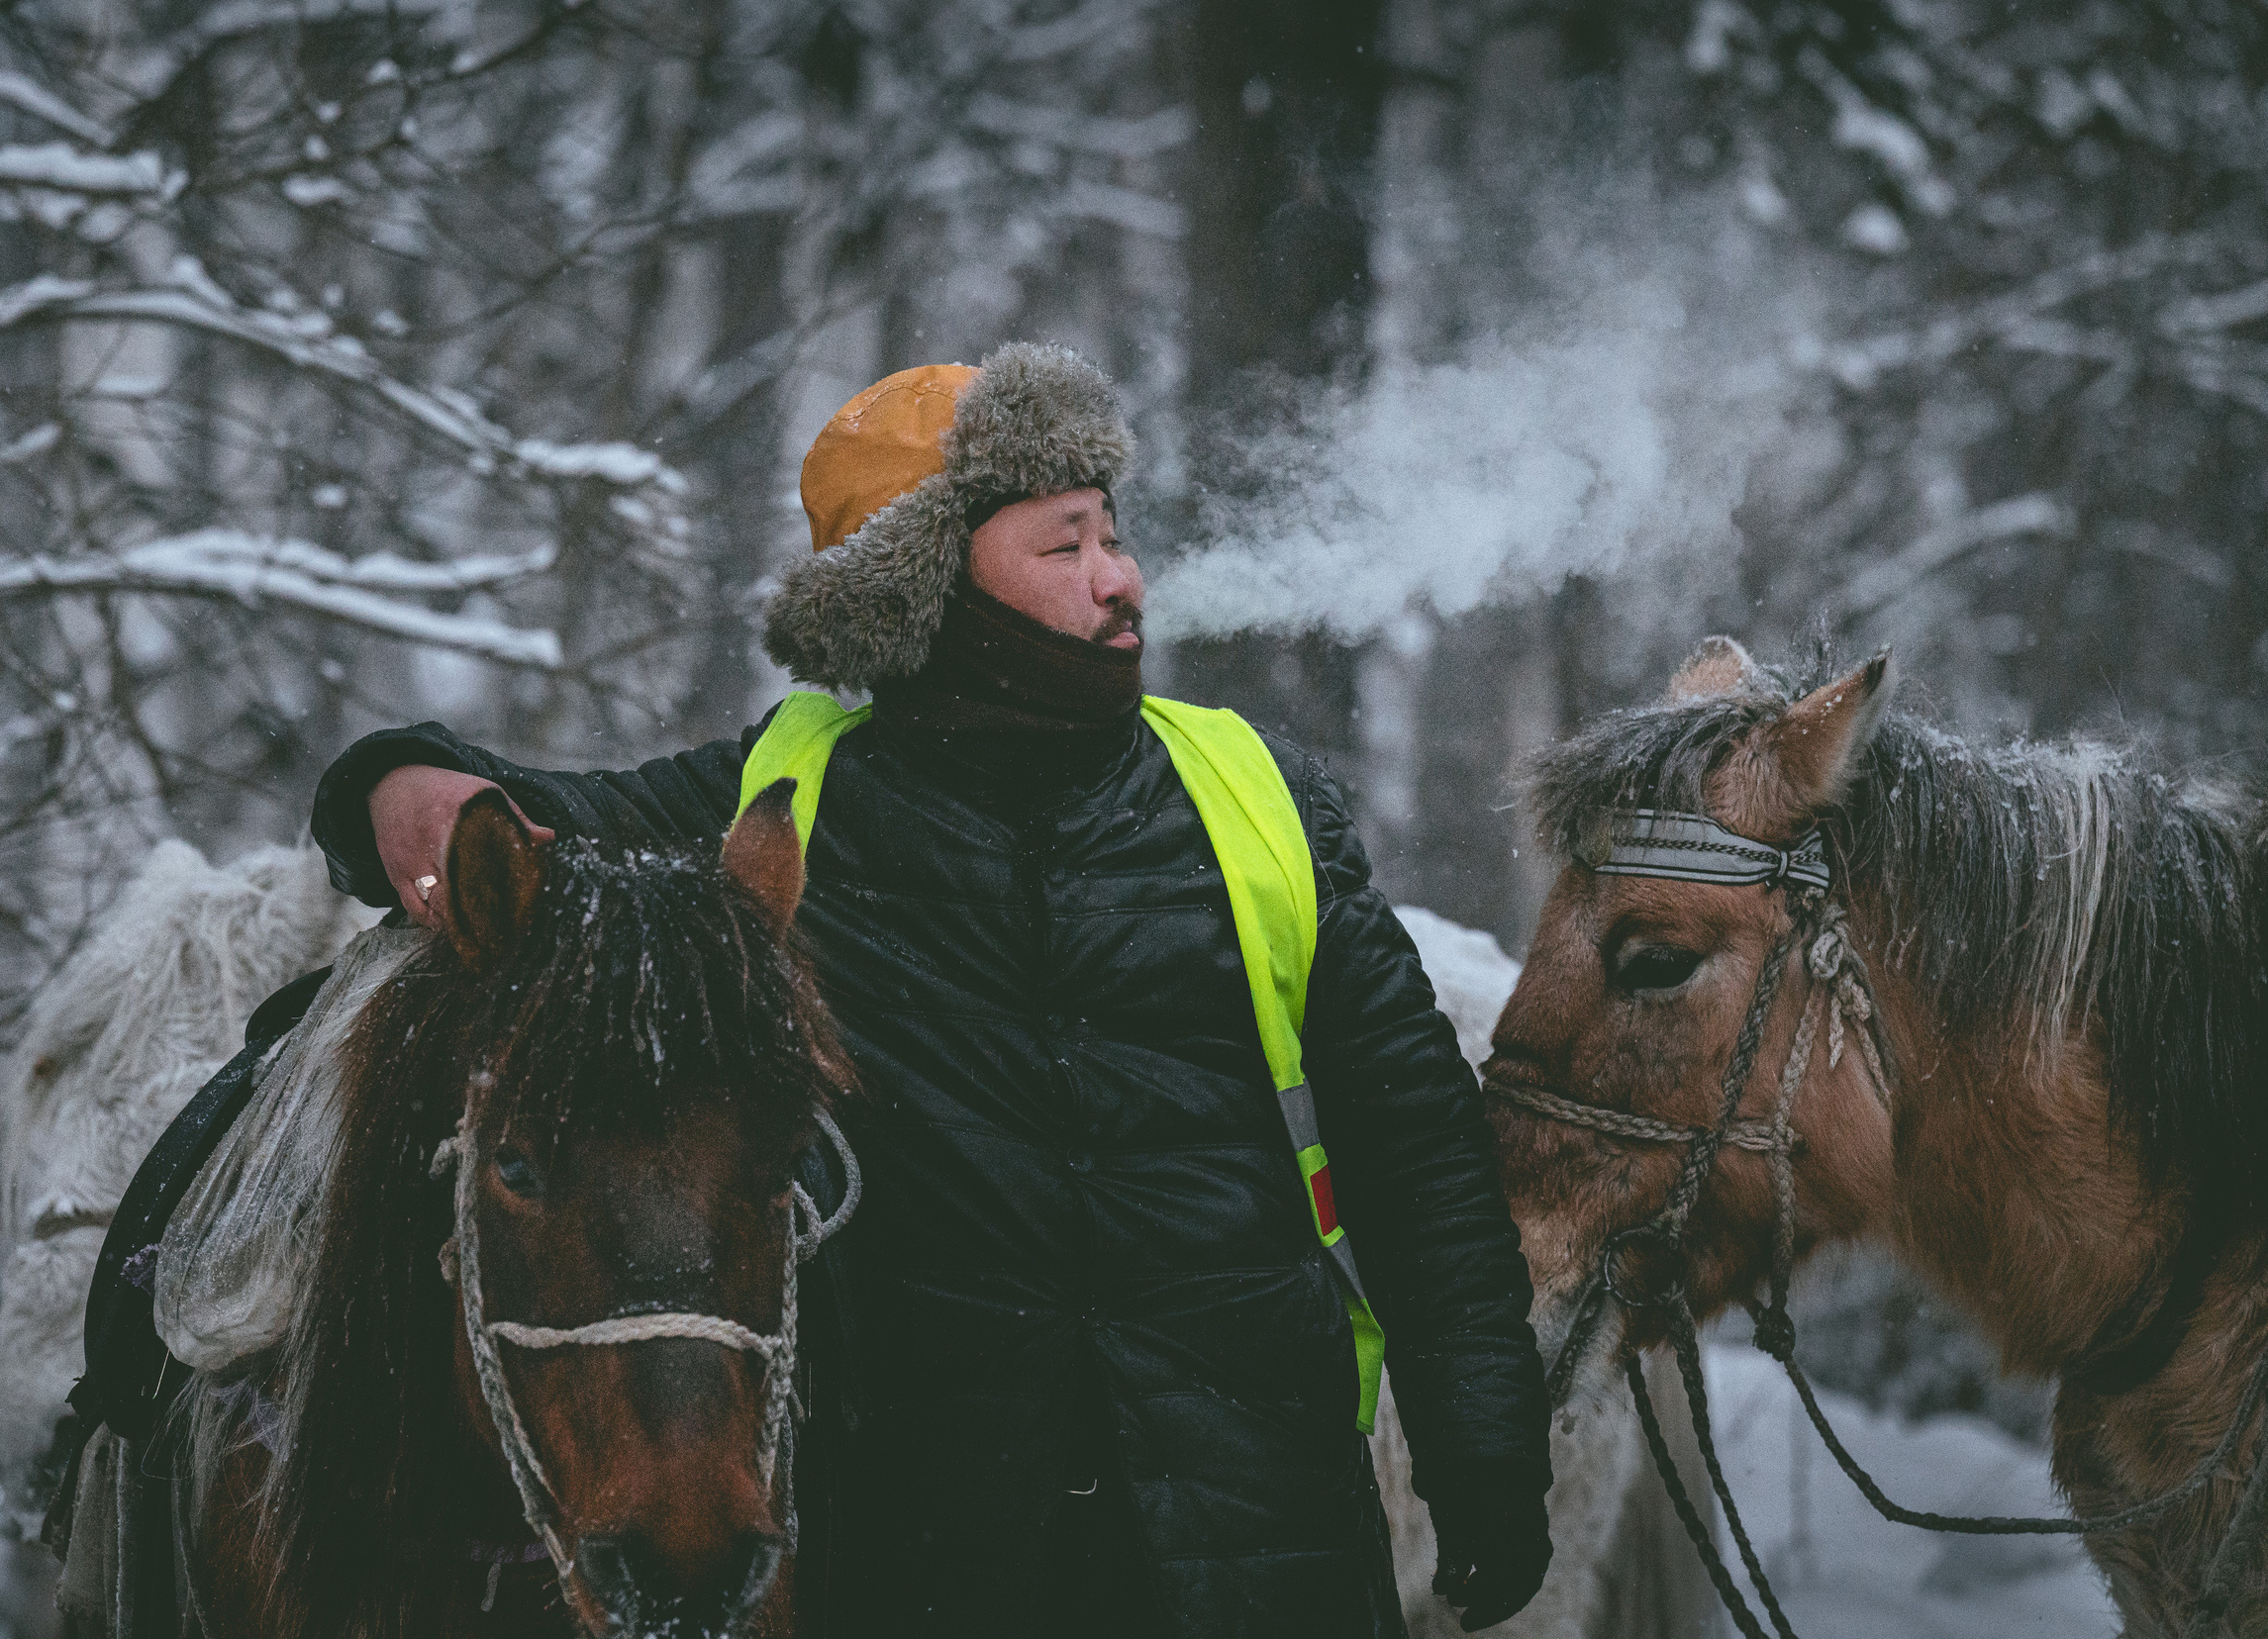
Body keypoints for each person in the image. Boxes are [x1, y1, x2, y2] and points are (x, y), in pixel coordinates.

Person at [309, 345, 1553, 1637]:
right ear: (924, 588)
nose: (1119, 581)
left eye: (1113, 540)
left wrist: (1485, 1451)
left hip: (1261, 1534)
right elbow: (528, 825)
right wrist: (395, 786)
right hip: (927, 1549)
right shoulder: (785, 801)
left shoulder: (1256, 792)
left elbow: (1421, 1153)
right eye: (1065, 546)